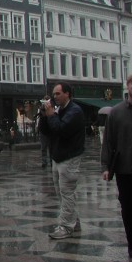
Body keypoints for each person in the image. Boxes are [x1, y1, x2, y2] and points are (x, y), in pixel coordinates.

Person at [38, 82, 85, 239]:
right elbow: (46, 131)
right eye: (54, 94)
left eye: (58, 93)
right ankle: (73, 221)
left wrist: (51, 115)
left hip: (69, 157)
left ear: (67, 94)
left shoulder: (74, 111)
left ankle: (66, 226)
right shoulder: (59, 110)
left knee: (67, 192)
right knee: (61, 192)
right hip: (57, 157)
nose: (55, 97)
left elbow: (61, 130)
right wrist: (44, 116)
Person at [101, 70, 132, 259]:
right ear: (128, 86)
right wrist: (106, 167)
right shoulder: (116, 113)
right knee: (129, 208)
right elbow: (108, 141)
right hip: (125, 169)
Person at [37, 95, 51, 167]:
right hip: (43, 129)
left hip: (49, 130)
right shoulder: (41, 108)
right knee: (43, 147)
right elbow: (39, 119)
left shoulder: (51, 108)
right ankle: (44, 162)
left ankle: (51, 161)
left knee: (50, 147)